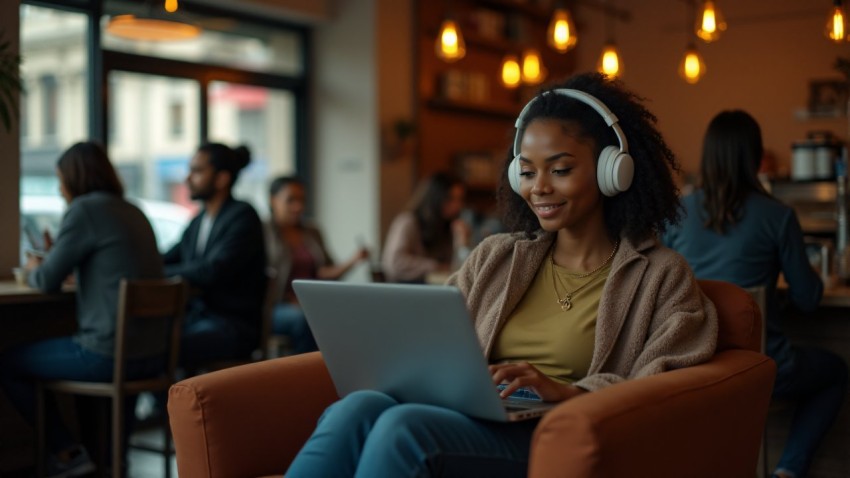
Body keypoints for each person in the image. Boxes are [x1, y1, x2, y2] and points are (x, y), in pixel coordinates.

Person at [285, 72, 719, 477]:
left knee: (403, 427)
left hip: (554, 432)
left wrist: (571, 392)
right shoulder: (497, 256)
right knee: (358, 406)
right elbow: (435, 338)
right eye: (526, 172)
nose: (539, 187)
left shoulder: (660, 274)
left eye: (561, 169)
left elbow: (666, 382)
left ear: (613, 172)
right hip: (475, 413)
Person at [663, 110, 847, 478]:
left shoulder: (677, 213)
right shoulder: (778, 216)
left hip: (690, 369)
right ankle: (788, 471)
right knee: (837, 371)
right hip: (760, 368)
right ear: (756, 157)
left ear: (708, 155)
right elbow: (809, 300)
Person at [0, 141, 164, 477]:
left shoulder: (85, 210)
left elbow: (46, 281)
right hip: (153, 353)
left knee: (7, 363)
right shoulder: (133, 210)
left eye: (61, 180)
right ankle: (111, 459)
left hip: (108, 354)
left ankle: (67, 452)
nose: (60, 190)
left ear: (74, 179)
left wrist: (34, 265)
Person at [163, 142, 266, 369]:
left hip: (233, 325)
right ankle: (171, 404)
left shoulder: (243, 216)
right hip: (199, 319)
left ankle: (171, 405)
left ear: (222, 179)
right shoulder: (199, 220)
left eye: (197, 171)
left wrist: (155, 272)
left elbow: (212, 270)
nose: (188, 178)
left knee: (161, 347)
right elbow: (170, 256)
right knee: (143, 341)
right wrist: (135, 264)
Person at [265, 176, 370, 354]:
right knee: (305, 320)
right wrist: (290, 300)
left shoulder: (312, 232)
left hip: (312, 303)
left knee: (358, 312)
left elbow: (324, 272)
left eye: (302, 200)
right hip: (276, 306)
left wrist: (353, 260)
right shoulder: (263, 232)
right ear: (273, 200)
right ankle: (309, 375)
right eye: (291, 200)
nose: (298, 206)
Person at [381, 172, 471, 283]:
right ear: (435, 198)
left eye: (460, 199)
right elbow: (394, 263)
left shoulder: (449, 227)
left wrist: (462, 244)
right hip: (406, 291)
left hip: (437, 290)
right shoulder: (408, 222)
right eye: (450, 199)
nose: (457, 205)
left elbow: (459, 272)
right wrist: (436, 267)